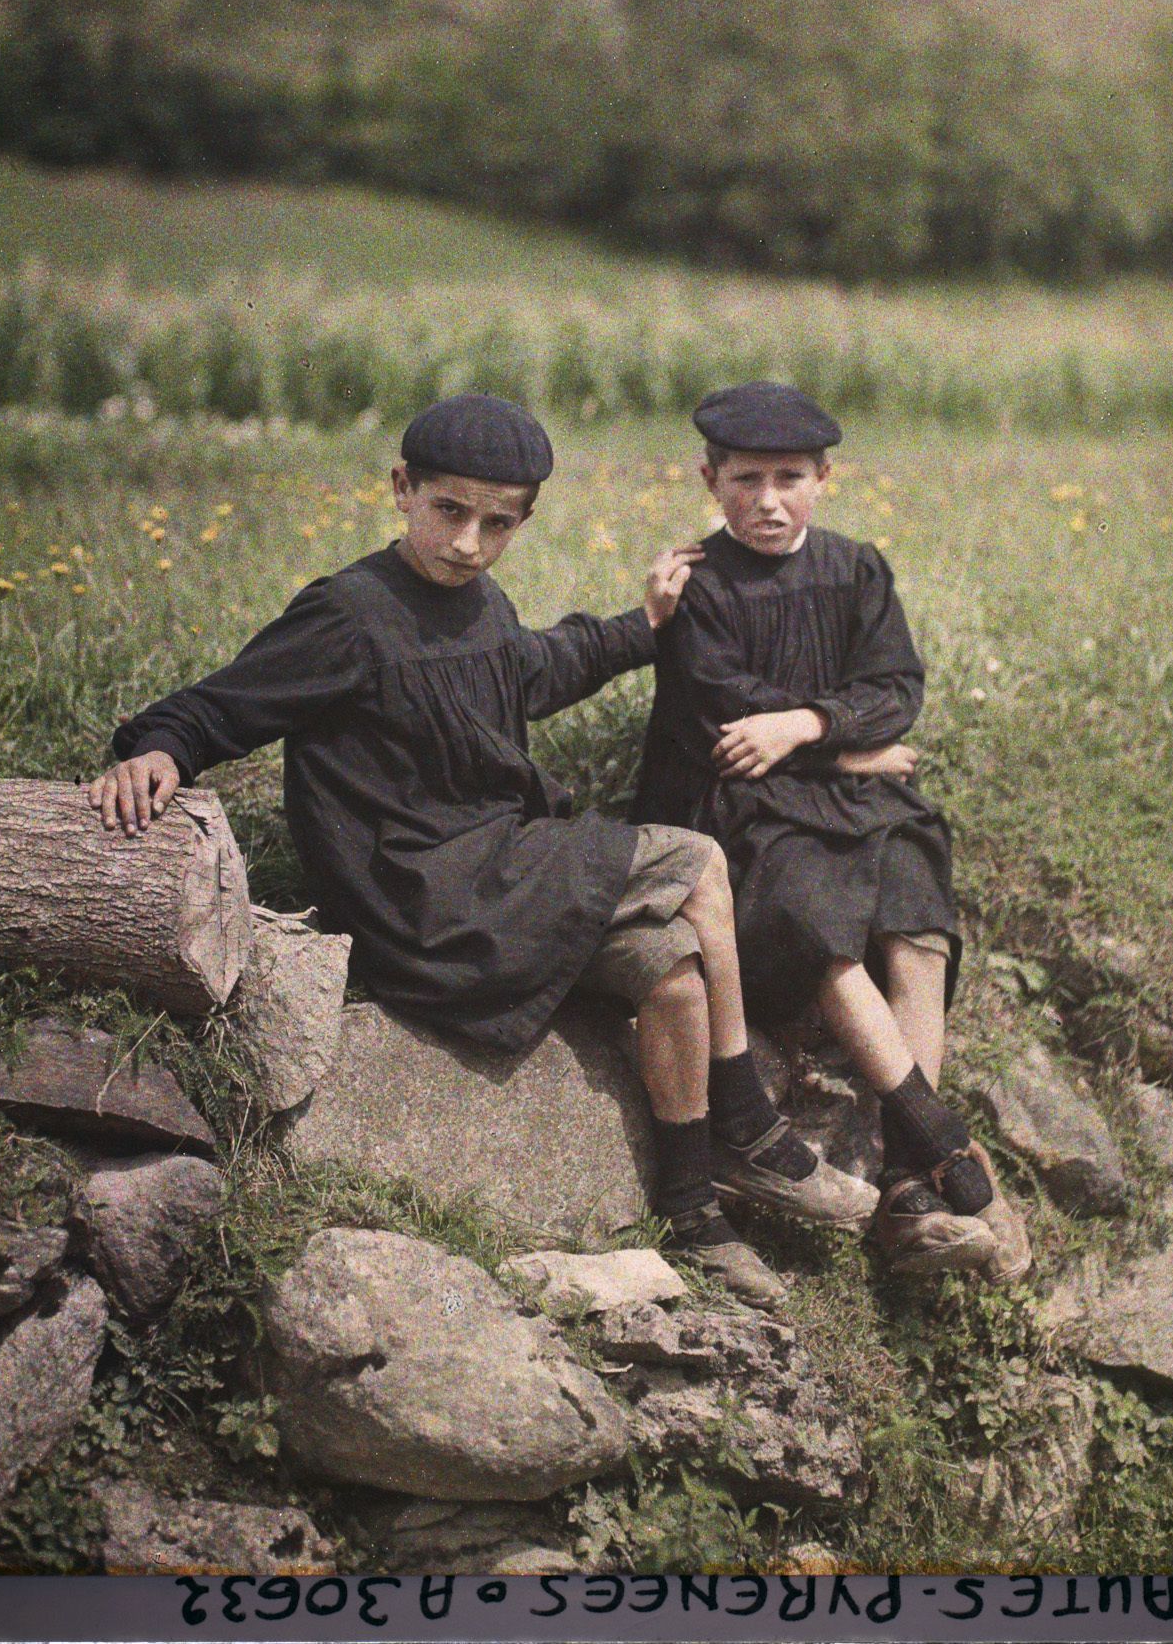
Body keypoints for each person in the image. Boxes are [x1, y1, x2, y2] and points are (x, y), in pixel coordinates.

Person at [89, 392, 875, 1305]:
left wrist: (642, 626)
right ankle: (747, 1121)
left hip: (491, 874)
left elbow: (533, 673)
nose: (468, 541)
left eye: (497, 524)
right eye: (449, 511)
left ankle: (694, 1211)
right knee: (695, 858)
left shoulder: (480, 602)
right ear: (401, 489)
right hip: (418, 891)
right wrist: (158, 745)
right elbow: (230, 701)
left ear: (522, 521)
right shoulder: (348, 613)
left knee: (670, 970)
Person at [632, 381, 1031, 1283]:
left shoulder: (856, 568)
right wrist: (850, 753)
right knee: (825, 931)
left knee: (915, 928)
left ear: (822, 477)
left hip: (827, 787)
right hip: (740, 806)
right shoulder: (698, 586)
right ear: (708, 478)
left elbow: (896, 689)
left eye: (787, 478)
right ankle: (939, 1139)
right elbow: (727, 729)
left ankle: (906, 1187)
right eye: (743, 480)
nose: (765, 502)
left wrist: (808, 729)